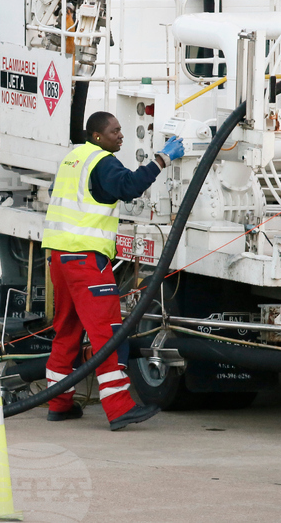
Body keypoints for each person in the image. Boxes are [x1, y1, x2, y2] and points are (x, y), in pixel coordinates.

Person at [41, 111, 184, 431]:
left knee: (66, 331)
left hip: (60, 257)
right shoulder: (102, 161)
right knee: (108, 334)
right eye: (114, 131)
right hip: (86, 261)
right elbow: (129, 186)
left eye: (121, 130)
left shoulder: (72, 158)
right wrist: (162, 159)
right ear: (97, 136)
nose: (120, 136)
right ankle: (119, 407)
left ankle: (58, 403)